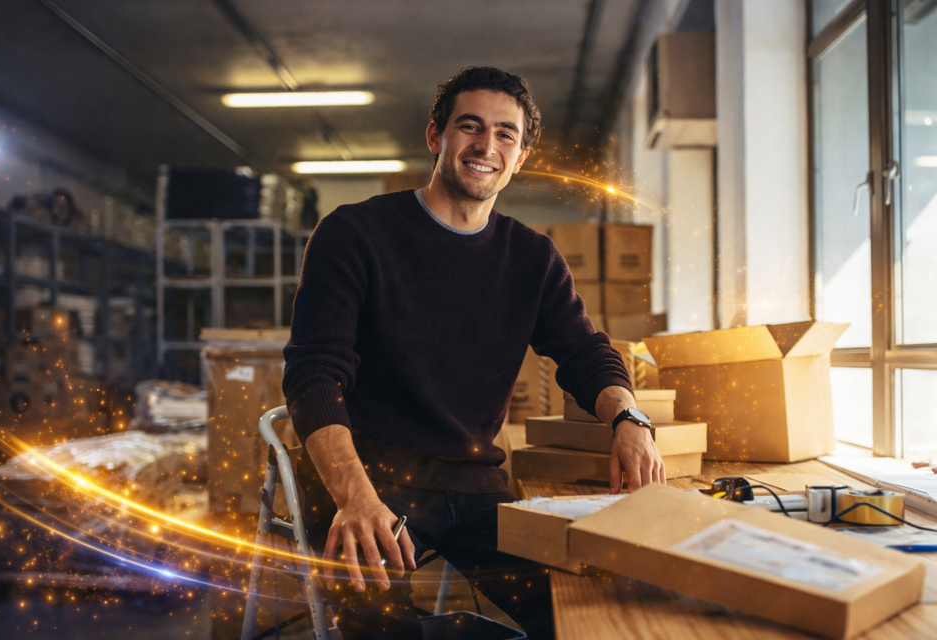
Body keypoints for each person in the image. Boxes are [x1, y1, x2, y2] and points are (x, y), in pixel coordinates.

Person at [282, 66, 665, 640]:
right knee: (382, 632)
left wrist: (630, 419)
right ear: (435, 136)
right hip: (368, 480)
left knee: (582, 613)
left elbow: (585, 351)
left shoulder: (532, 259)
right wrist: (354, 497)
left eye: (505, 134)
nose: (487, 146)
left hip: (474, 489)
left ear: (521, 157)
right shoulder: (355, 234)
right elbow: (313, 374)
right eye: (470, 126)